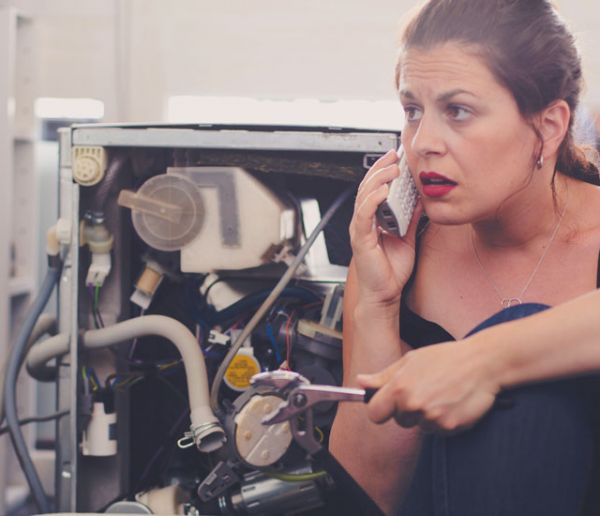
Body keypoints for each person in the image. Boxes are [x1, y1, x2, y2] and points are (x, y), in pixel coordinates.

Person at [329, 1, 600, 515]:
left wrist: (483, 361)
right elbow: (368, 499)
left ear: (548, 126)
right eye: (413, 111)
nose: (423, 143)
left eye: (458, 111)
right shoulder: (396, 259)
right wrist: (378, 306)